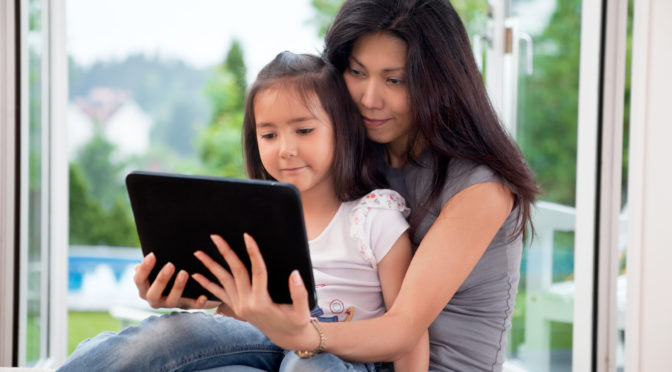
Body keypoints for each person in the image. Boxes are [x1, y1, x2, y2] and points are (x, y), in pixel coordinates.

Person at [193, 0, 539, 371]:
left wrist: (306, 336)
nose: (369, 100)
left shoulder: (481, 187)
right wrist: (196, 294)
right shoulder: (352, 156)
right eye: (357, 73)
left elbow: (403, 329)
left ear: (440, 83)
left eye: (395, 80)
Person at [57, 51, 428, 372]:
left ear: (342, 130)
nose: (285, 149)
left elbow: (408, 334)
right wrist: (185, 293)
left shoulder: (374, 217)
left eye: (303, 130)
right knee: (173, 333)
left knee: (309, 362)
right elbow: (232, 321)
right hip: (261, 344)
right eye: (269, 135)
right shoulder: (251, 219)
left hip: (343, 358)